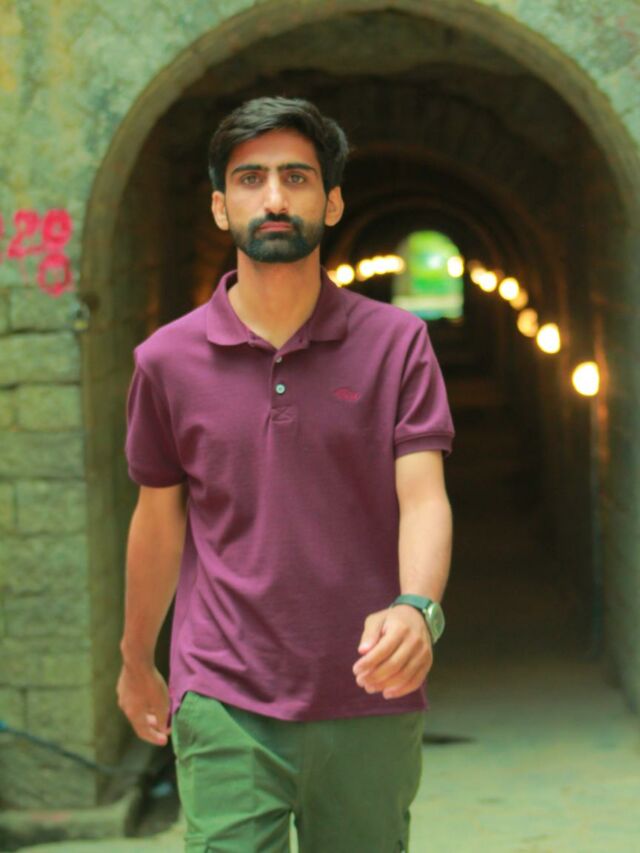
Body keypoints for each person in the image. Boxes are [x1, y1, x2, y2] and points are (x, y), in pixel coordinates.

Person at [117, 96, 454, 853]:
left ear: (331, 202)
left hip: (372, 688)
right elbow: (158, 520)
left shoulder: (397, 344)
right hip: (224, 692)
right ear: (219, 205)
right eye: (251, 178)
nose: (274, 198)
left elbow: (423, 497)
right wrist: (136, 659)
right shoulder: (165, 360)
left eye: (296, 177)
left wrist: (416, 608)